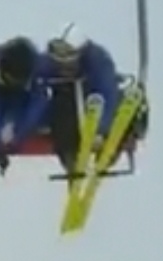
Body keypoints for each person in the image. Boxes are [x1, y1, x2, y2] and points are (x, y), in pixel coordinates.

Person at [42, 26, 122, 174]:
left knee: (116, 109)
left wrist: (101, 129)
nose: (63, 64)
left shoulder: (98, 63)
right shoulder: (51, 64)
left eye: (67, 56)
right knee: (62, 106)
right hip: (70, 104)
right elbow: (37, 75)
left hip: (92, 103)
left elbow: (108, 95)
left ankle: (106, 154)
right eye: (58, 56)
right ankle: (69, 156)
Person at [0, 37, 52, 171]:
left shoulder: (39, 67)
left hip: (20, 101)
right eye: (10, 80)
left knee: (17, 117)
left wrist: (17, 134)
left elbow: (37, 106)